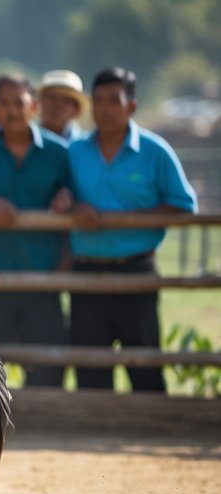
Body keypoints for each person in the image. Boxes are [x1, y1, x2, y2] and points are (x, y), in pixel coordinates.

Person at [67, 67, 197, 392]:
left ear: (132, 106)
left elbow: (183, 204)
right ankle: (95, 438)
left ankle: (152, 434)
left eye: (114, 100)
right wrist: (70, 206)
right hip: (86, 273)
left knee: (145, 367)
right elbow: (58, 195)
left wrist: (139, 216)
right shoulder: (74, 152)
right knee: (90, 370)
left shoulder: (156, 152)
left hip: (137, 271)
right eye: (98, 100)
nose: (105, 109)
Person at [0, 73, 74, 389]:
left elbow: (73, 195)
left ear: (32, 106)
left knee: (49, 363)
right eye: (3, 103)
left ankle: (46, 425)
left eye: (18, 103)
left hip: (43, 275)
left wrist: (66, 198)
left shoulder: (58, 152)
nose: (11, 110)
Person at [38, 69, 88, 142]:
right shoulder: (22, 142)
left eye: (66, 100)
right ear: (39, 102)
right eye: (52, 97)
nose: (58, 105)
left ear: (77, 110)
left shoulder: (84, 148)